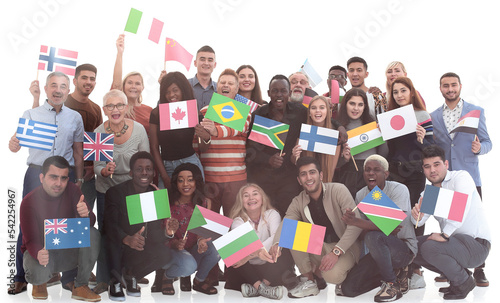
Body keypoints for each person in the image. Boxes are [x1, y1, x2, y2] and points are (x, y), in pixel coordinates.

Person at [8, 72, 85, 295]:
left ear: (68, 90)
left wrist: (78, 180)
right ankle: (21, 277)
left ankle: (68, 277)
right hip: (36, 174)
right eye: (54, 85)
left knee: (68, 223)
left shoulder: (75, 117)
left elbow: (78, 152)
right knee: (27, 224)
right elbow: (16, 144)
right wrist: (13, 143)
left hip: (65, 176)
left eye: (63, 86)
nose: (58, 90)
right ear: (46, 88)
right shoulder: (31, 114)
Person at [104, 151, 195, 300]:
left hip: (140, 245)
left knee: (163, 253)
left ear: (153, 173)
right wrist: (126, 239)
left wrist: (168, 232)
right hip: (119, 243)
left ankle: (131, 275)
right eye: (139, 169)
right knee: (112, 240)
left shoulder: (155, 193)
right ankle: (115, 282)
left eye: (148, 169)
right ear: (131, 172)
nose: (144, 172)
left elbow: (153, 234)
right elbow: (109, 225)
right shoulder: (115, 192)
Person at [430, 72, 492, 286]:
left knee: (473, 225)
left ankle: (480, 269)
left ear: (460, 86)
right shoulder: (434, 116)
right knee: (447, 222)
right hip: (444, 179)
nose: (450, 89)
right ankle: (453, 268)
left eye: (453, 85)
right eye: (445, 85)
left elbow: (488, 142)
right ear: (440, 89)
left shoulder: (475, 112)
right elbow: (433, 148)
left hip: (469, 178)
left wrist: (479, 148)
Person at [270, 157, 362, 298]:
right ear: (299, 180)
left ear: (321, 175)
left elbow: (356, 225)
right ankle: (310, 281)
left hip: (346, 248)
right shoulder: (298, 200)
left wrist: (336, 252)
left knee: (332, 276)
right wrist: (277, 243)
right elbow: (287, 222)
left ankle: (344, 272)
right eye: (303, 174)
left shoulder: (338, 190)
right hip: (321, 247)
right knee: (292, 231)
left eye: (312, 172)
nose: (308, 177)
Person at [411, 145, 491, 300]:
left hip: (477, 245)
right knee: (412, 247)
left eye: (436, 164)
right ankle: (459, 277)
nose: (432, 170)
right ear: (423, 169)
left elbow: (461, 207)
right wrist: (416, 216)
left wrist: (444, 234)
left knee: (429, 247)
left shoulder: (460, 178)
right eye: (427, 167)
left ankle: (463, 281)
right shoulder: (430, 193)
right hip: (455, 246)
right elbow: (418, 223)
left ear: (446, 164)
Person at [92, 89, 150, 292]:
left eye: (119, 105)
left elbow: (145, 162)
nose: (115, 109)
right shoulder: (99, 132)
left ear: (126, 107)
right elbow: (96, 166)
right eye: (110, 106)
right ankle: (103, 278)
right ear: (104, 109)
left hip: (131, 191)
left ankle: (127, 274)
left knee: (131, 232)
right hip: (106, 190)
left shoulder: (139, 130)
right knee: (106, 232)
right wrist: (105, 171)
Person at [338, 155, 417, 302]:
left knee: (373, 236)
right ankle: (395, 274)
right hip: (378, 251)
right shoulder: (361, 194)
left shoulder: (399, 189)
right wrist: (355, 221)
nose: (371, 173)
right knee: (348, 289)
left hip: (403, 248)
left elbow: (394, 227)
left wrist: (357, 222)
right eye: (367, 170)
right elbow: (364, 233)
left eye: (376, 170)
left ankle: (391, 283)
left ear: (386, 174)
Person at [21, 156, 100, 302]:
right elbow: (30, 240)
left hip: (67, 252)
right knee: (36, 271)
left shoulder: (73, 190)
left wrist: (86, 214)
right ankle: (40, 283)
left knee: (93, 233)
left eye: (63, 178)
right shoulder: (29, 201)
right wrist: (38, 253)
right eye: (53, 177)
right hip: (43, 253)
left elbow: (91, 223)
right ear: (41, 177)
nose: (59, 183)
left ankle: (80, 286)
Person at [246, 74, 307, 217]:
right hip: (262, 179)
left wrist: (338, 126)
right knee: (265, 220)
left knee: (289, 218)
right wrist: (268, 159)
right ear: (268, 93)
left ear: (289, 93)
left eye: (283, 91)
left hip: (289, 179)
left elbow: (320, 120)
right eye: (275, 91)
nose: (279, 95)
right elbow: (249, 150)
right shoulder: (258, 115)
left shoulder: (300, 112)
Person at [224, 183, 294, 300]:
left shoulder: (272, 214)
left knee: (283, 244)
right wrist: (255, 254)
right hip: (247, 271)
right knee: (234, 251)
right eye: (246, 196)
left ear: (262, 199)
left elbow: (276, 238)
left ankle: (259, 287)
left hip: (269, 268)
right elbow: (244, 247)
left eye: (255, 194)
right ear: (242, 202)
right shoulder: (237, 221)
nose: (251, 198)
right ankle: (262, 288)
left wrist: (251, 254)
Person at [198, 68, 251, 216]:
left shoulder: (244, 112)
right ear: (217, 87)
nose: (226, 85)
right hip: (209, 179)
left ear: (237, 88)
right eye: (222, 82)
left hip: (235, 179)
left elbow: (235, 129)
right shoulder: (204, 112)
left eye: (230, 83)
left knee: (235, 226)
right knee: (206, 227)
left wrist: (215, 131)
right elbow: (197, 144)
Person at [387, 77, 434, 236]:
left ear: (412, 93)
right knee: (391, 218)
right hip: (395, 171)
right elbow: (391, 150)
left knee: (416, 214)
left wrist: (422, 139)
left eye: (403, 91)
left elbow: (432, 149)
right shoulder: (390, 116)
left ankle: (415, 257)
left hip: (415, 172)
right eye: (395, 92)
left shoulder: (422, 115)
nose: (399, 95)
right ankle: (395, 256)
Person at [165, 163, 220, 295]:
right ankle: (166, 277)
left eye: (190, 179)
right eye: (181, 180)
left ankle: (198, 281)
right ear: (175, 183)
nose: (185, 184)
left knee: (219, 246)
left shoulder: (205, 202)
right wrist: (174, 242)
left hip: (193, 248)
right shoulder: (167, 202)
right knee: (189, 266)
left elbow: (203, 231)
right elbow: (160, 235)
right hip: (171, 250)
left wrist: (201, 241)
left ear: (196, 182)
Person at [149, 71, 207, 189]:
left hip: (191, 163)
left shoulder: (192, 110)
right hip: (167, 166)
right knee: (167, 206)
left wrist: (206, 137)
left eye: (175, 90)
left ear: (183, 90)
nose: (171, 95)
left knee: (195, 205)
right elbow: (154, 147)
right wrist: (164, 176)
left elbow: (203, 147)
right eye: (167, 92)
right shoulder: (157, 113)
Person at [335, 88, 388, 198]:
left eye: (360, 105)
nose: (356, 108)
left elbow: (384, 155)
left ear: (365, 107)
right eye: (352, 103)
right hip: (348, 176)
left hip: (371, 175)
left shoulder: (373, 125)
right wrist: (344, 158)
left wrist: (384, 135)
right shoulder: (338, 128)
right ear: (345, 105)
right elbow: (334, 165)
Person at [291, 95, 347, 183]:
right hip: (306, 184)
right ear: (309, 112)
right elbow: (295, 162)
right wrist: (294, 155)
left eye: (322, 107)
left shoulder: (334, 135)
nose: (317, 111)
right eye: (313, 108)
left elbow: (331, 171)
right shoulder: (304, 132)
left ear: (328, 111)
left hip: (326, 184)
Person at [111, 34, 153, 138]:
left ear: (142, 88)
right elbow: (116, 82)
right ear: (123, 86)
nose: (133, 86)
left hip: (145, 153)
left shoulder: (149, 110)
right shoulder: (119, 106)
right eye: (130, 83)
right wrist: (119, 53)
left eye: (137, 83)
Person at [188, 45, 217, 109]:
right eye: (202, 59)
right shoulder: (185, 85)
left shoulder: (219, 89)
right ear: (195, 63)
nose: (206, 63)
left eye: (210, 60)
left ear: (214, 64)